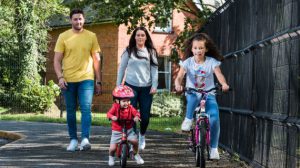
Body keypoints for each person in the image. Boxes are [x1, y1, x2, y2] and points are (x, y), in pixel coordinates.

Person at [174, 33, 229, 160]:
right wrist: (178, 85)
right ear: (191, 49)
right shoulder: (187, 62)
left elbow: (219, 75)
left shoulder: (211, 62)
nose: (198, 51)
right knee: (195, 96)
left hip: (208, 94)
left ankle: (214, 149)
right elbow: (179, 77)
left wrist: (224, 84)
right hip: (192, 93)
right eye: (195, 48)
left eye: (201, 48)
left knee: (214, 118)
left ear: (206, 49)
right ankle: (188, 119)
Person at [53, 9, 102, 152]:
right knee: (70, 110)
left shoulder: (92, 36)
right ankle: (73, 140)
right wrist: (60, 77)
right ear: (70, 20)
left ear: (84, 20)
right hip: (68, 79)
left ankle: (85, 139)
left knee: (86, 108)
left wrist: (98, 80)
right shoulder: (63, 36)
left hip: (86, 78)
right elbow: (56, 60)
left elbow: (96, 60)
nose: (78, 21)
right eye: (75, 19)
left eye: (80, 19)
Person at [116, 26, 158, 150]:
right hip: (130, 87)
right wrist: (119, 85)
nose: (140, 37)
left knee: (145, 117)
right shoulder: (128, 51)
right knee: (130, 116)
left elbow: (155, 70)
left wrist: (154, 85)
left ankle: (142, 135)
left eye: (142, 35)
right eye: (138, 35)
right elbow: (122, 69)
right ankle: (132, 140)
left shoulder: (151, 52)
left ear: (146, 37)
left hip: (146, 88)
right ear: (134, 37)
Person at [107, 85, 144, 166]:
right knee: (113, 148)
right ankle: (111, 157)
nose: (126, 103)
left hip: (129, 130)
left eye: (128, 101)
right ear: (117, 101)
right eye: (124, 101)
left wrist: (137, 117)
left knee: (135, 141)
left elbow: (136, 113)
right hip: (117, 130)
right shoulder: (115, 107)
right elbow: (109, 114)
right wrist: (112, 117)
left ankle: (136, 154)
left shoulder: (130, 108)